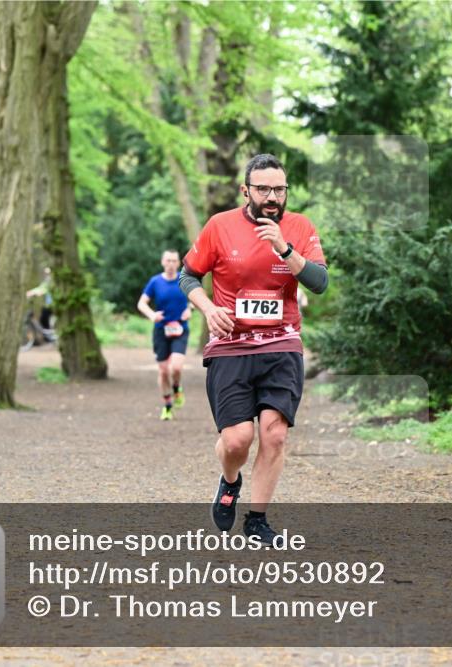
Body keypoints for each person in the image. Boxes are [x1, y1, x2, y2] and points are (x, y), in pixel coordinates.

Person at [178, 154, 328, 546]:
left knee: (274, 434)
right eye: (263, 189)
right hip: (231, 345)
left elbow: (319, 282)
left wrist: (285, 249)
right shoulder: (220, 226)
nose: (272, 196)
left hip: (282, 343)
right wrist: (208, 308)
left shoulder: (299, 227)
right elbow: (188, 275)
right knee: (237, 440)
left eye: (279, 189)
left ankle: (257, 519)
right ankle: (230, 482)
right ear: (246, 191)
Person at [138, 250, 192, 421]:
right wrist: (152, 315)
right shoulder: (155, 282)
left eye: (174, 261)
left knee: (175, 367)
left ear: (178, 263)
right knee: (162, 371)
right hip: (161, 330)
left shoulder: (184, 280)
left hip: (180, 329)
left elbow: (195, 298)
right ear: (162, 262)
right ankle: (167, 405)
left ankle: (176, 388)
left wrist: (189, 309)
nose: (171, 264)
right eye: (168, 260)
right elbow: (141, 303)